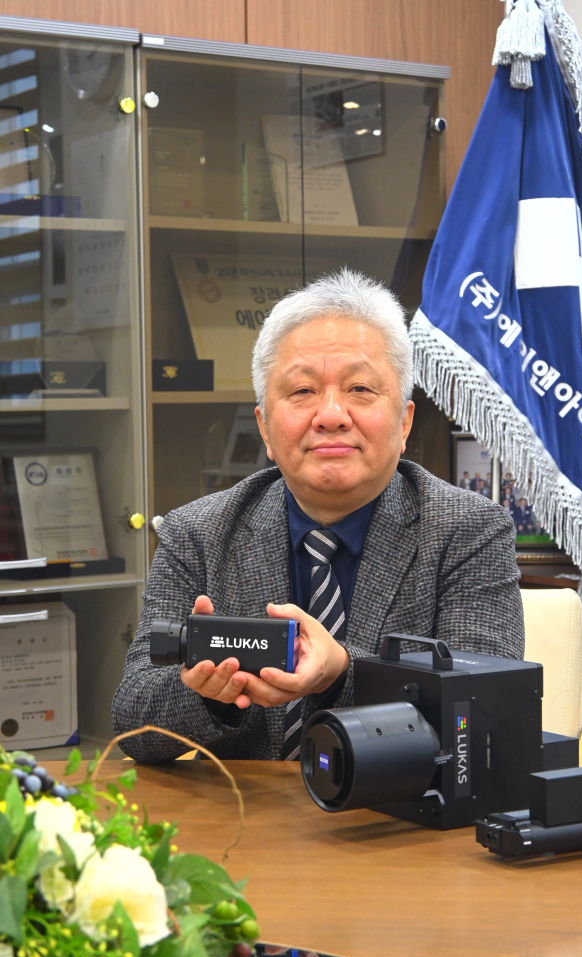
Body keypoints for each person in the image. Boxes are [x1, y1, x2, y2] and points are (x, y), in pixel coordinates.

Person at [112, 269, 524, 763]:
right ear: (264, 427)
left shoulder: (469, 532)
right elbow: (132, 724)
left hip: (395, 826)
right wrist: (208, 697)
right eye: (303, 391)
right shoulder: (196, 533)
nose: (331, 414)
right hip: (244, 825)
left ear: (405, 422)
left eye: (360, 390)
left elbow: (482, 721)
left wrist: (342, 675)